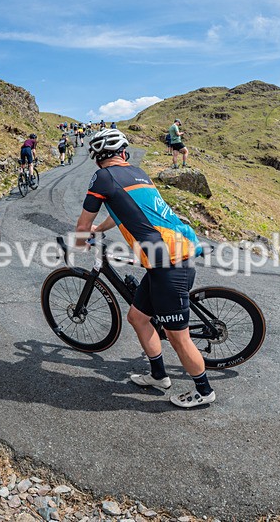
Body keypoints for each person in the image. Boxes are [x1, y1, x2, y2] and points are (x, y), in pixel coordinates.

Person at [74, 129, 213, 408]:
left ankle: (204, 390)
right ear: (123, 154)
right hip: (169, 255)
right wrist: (99, 231)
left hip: (169, 261)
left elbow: (81, 226)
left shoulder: (102, 177)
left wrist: (79, 242)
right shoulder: (137, 173)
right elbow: (122, 211)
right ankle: (159, 376)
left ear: (97, 158)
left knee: (178, 337)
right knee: (138, 317)